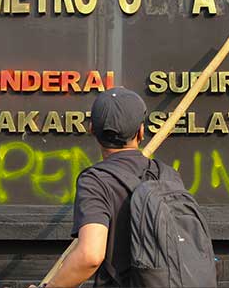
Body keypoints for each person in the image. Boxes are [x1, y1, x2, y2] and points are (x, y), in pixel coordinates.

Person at [34, 87, 183, 288]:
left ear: (91, 130)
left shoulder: (95, 181)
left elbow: (90, 255)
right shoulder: (168, 175)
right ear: (141, 131)